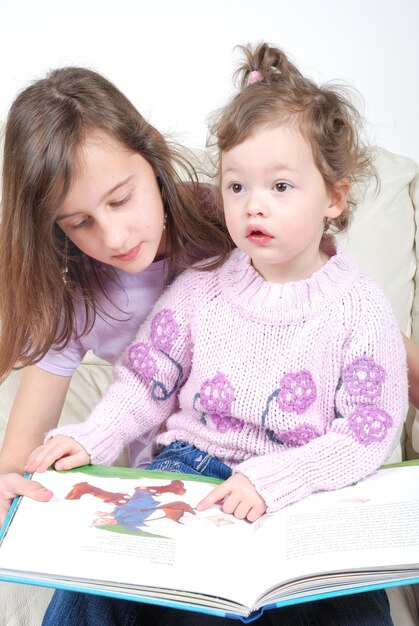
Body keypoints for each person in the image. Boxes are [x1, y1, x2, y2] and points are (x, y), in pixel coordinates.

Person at [27, 42, 407, 625]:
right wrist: (96, 437)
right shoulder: (200, 289)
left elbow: (365, 432)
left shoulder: (361, 311)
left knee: (346, 606)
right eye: (237, 187)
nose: (253, 206)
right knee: (100, 582)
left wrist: (277, 478)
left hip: (304, 485)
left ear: (334, 196)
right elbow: (145, 382)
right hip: (190, 472)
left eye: (279, 187)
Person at [0, 65, 233, 525]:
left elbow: (360, 323)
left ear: (151, 154)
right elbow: (19, 453)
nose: (113, 237)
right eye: (79, 222)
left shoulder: (228, 220)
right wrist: (9, 480)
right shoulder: (71, 291)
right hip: (167, 480)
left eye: (120, 200)